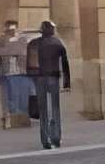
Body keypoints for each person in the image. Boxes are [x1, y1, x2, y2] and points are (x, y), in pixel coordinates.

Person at [26, 19, 71, 149]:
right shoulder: (57, 43)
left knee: (43, 109)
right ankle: (56, 137)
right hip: (53, 77)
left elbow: (29, 64)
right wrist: (67, 82)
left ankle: (45, 139)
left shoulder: (34, 44)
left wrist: (31, 77)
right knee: (55, 108)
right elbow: (65, 63)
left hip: (39, 78)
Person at [0, 20, 32, 127]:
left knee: (22, 97)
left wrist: (11, 48)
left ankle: (21, 119)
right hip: (6, 72)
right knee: (8, 97)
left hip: (21, 72)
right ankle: (9, 118)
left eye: (13, 29)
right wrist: (9, 47)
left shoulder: (23, 39)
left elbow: (24, 51)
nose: (11, 31)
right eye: (9, 29)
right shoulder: (1, 39)